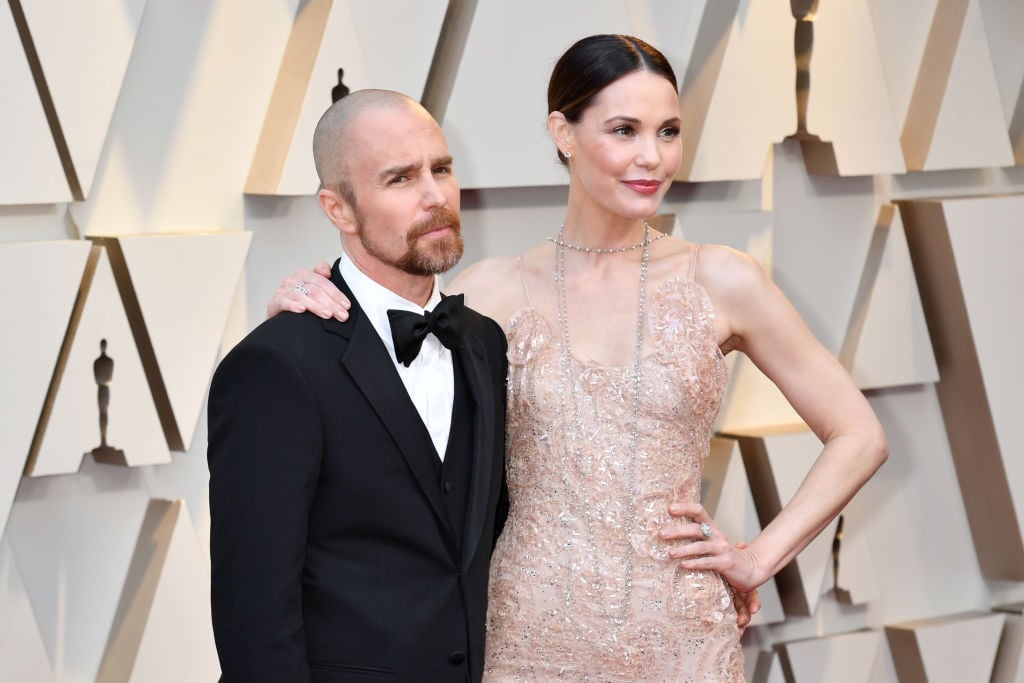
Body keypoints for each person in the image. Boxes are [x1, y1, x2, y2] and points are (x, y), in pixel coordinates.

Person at [269, 34, 888, 681]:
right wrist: (302, 308)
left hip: (680, 635)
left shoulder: (723, 279)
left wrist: (759, 557)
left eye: (669, 131)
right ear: (562, 132)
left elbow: (859, 434)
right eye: (624, 130)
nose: (653, 156)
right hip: (529, 633)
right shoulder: (491, 290)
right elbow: (373, 415)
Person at [207, 89, 510, 682]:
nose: (436, 197)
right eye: (399, 179)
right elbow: (254, 614)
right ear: (338, 209)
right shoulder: (276, 366)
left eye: (441, 170)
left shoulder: (484, 342)